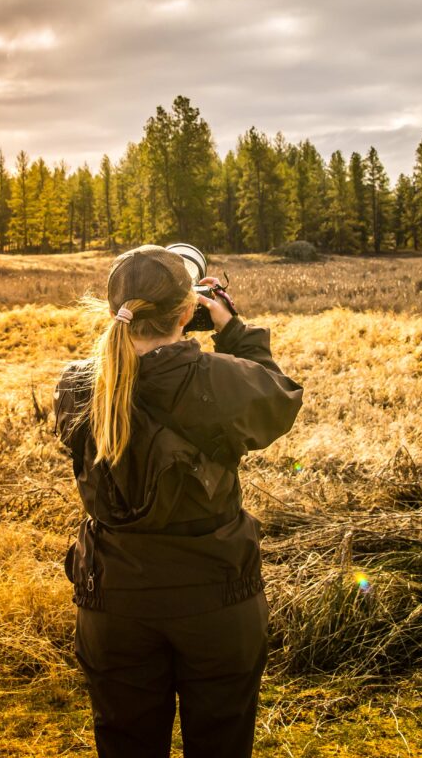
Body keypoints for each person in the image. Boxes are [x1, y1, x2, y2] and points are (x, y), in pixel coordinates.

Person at [54, 244, 303, 758]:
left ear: (113, 311)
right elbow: (279, 399)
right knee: (222, 740)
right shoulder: (221, 379)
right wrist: (233, 329)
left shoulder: (78, 386)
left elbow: (133, 378)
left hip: (113, 598)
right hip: (218, 597)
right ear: (188, 314)